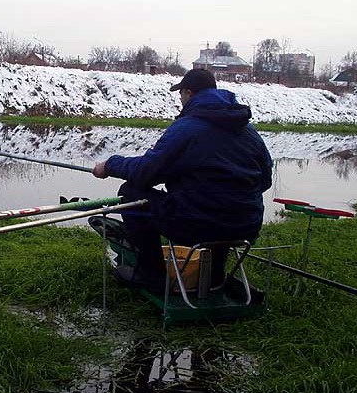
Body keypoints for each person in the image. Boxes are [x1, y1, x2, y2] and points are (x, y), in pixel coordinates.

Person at [92, 69, 273, 292]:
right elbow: (265, 181)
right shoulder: (249, 132)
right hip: (247, 225)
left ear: (188, 93)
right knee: (221, 207)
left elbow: (145, 173)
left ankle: (152, 275)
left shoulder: (187, 128)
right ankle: (214, 277)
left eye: (181, 95)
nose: (180, 100)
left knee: (132, 192)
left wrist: (110, 165)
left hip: (199, 225)